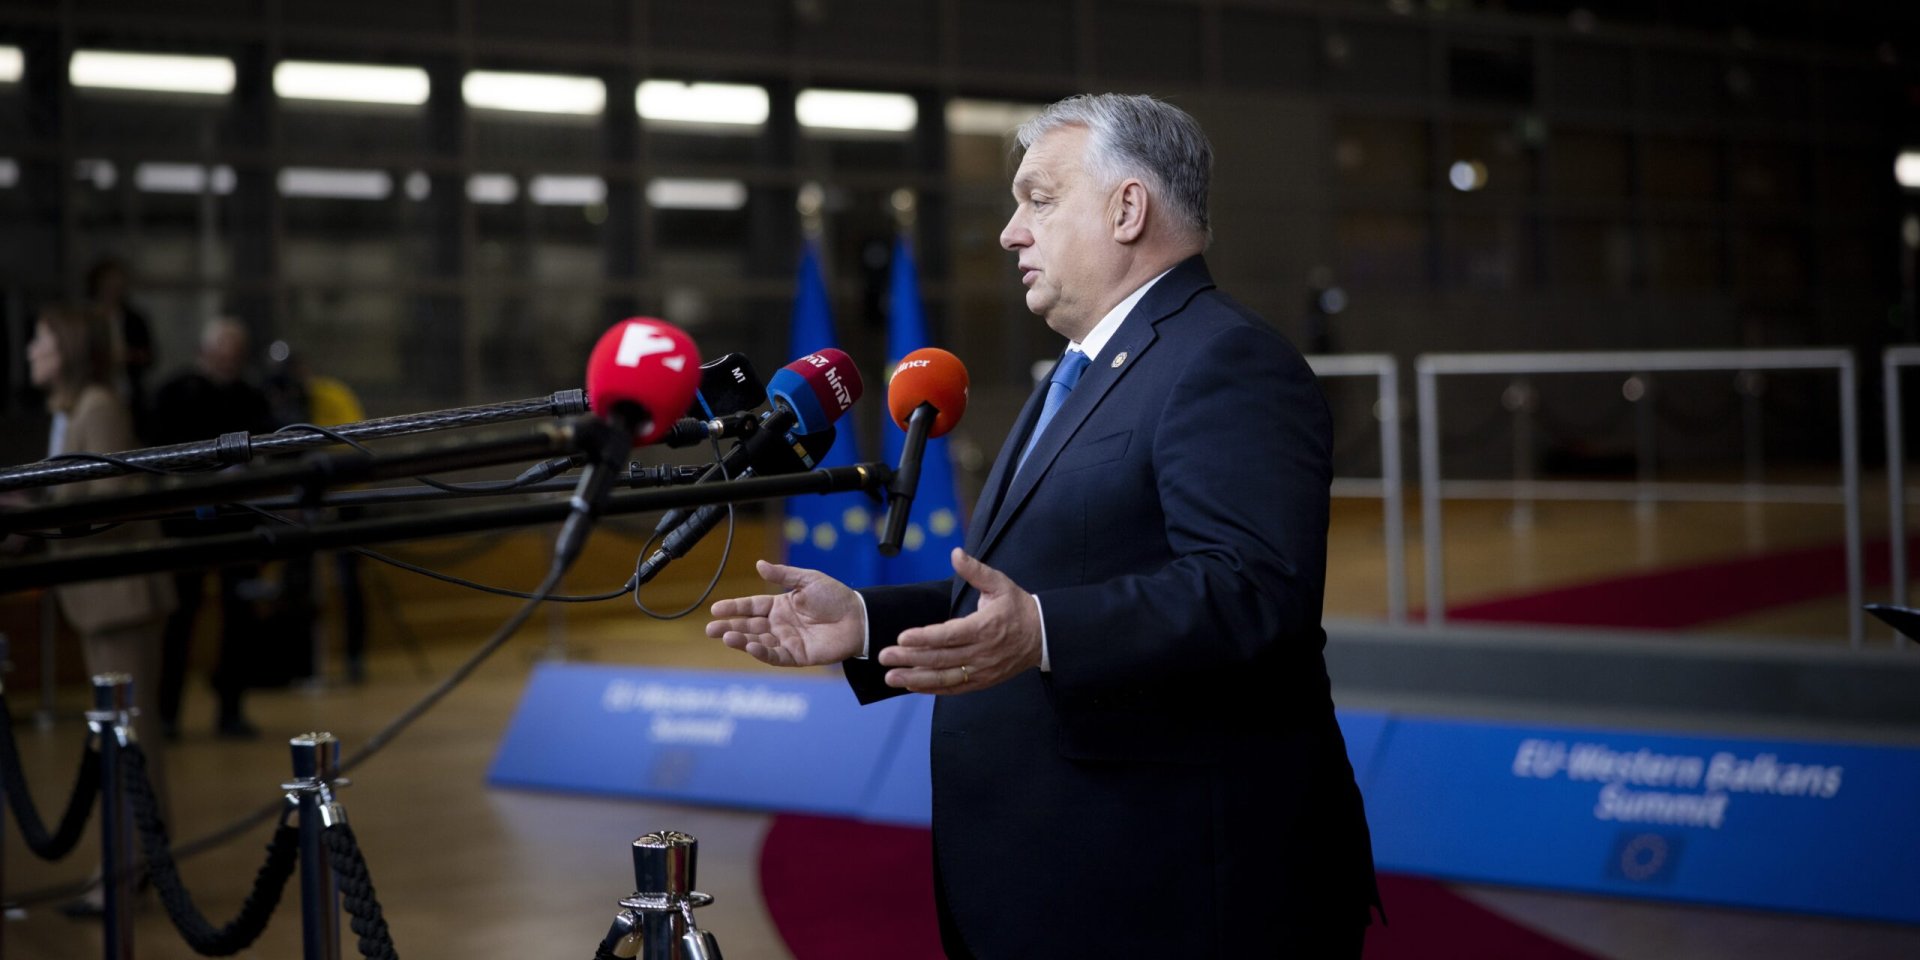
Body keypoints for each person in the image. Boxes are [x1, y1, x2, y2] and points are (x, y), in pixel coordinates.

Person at [707, 94, 1380, 956]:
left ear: (1127, 208)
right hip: (1055, 873)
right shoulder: (1086, 366)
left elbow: (1254, 590)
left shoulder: (1225, 359)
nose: (1010, 232)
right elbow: (1032, 586)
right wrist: (868, 622)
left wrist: (1042, 631)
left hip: (1170, 890)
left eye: (1040, 198)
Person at [26, 305, 177, 856]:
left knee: (133, 741)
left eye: (39, 340)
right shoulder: (68, 410)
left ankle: (135, 865)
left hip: (123, 598)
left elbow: (113, 502)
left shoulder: (98, 406)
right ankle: (125, 866)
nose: (30, 352)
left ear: (64, 347)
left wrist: (39, 514)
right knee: (118, 738)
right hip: (98, 599)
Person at [150, 318, 275, 738]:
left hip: (238, 521)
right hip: (189, 522)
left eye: (235, 349)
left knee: (240, 617)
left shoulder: (251, 396)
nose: (229, 356)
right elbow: (163, 450)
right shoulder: (178, 392)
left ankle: (231, 710)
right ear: (206, 350)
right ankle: (167, 713)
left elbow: (269, 448)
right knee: (180, 618)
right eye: (222, 348)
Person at [84, 257, 158, 441]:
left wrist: (126, 356)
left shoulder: (135, 319)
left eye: (118, 281)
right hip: (93, 387)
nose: (114, 287)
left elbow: (149, 356)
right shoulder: (85, 318)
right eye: (108, 281)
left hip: (129, 392)